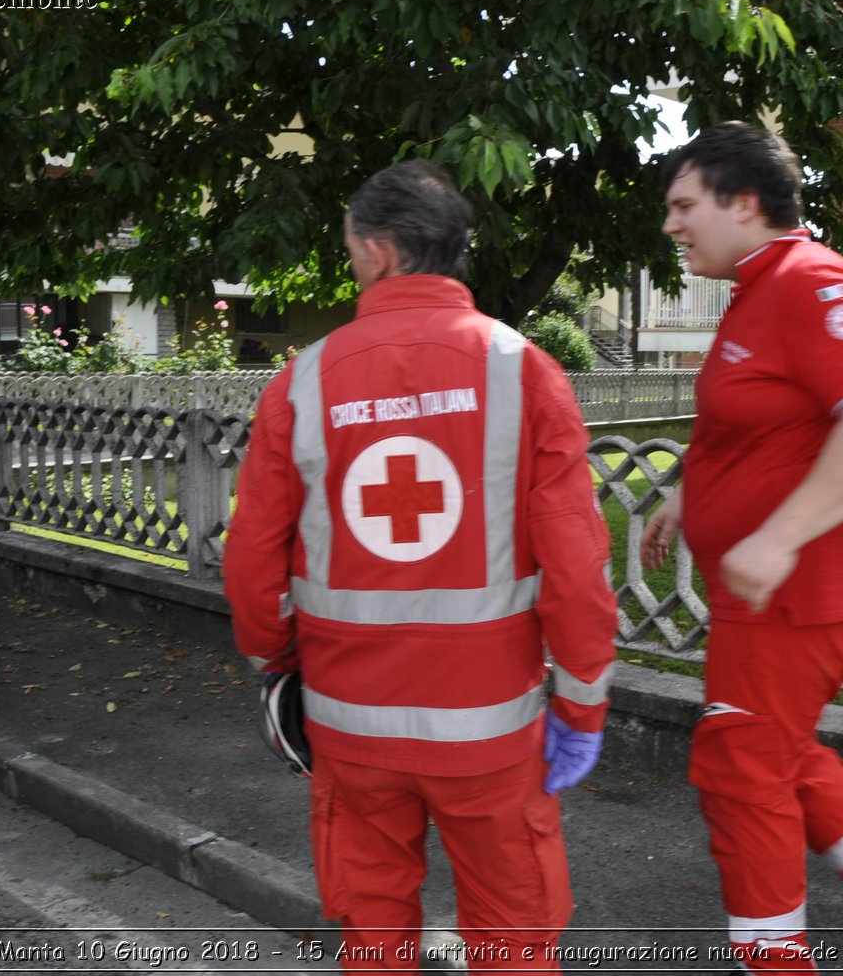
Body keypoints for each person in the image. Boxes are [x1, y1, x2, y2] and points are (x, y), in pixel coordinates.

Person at [224, 160, 617, 973]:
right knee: (515, 935)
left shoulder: (300, 384)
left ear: (379, 252)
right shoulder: (523, 370)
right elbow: (577, 566)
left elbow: (254, 558)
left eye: (350, 248)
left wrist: (277, 663)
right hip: (492, 734)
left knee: (373, 934)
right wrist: (580, 703)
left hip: (349, 723)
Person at [642, 123, 843, 973]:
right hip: (778, 588)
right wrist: (689, 488)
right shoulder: (758, 290)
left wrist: (779, 535)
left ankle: (776, 960)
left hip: (809, 582)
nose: (672, 225)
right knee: (777, 748)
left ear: (743, 201)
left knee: (739, 766)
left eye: (684, 205)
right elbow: (757, 420)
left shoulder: (811, 279)